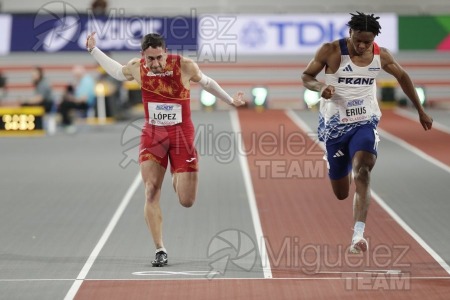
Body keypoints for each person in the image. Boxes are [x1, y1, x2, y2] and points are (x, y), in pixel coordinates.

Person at [85, 32, 245, 266]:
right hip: (154, 135)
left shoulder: (184, 66)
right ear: (143, 56)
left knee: (187, 200)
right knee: (150, 190)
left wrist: (230, 100)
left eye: (159, 58)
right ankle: (160, 248)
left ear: (165, 53)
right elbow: (118, 72)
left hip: (182, 135)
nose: (156, 64)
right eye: (150, 59)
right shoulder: (137, 68)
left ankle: (176, 175)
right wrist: (93, 50)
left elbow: (207, 83)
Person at [301, 12, 433, 254]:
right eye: (358, 40)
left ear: (374, 39)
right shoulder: (330, 50)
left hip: (365, 121)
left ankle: (358, 235)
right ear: (350, 33)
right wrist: (320, 86)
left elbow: (403, 77)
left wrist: (420, 110)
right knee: (341, 193)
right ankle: (340, 166)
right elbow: (306, 76)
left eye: (367, 42)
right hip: (335, 126)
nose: (362, 46)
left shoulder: (380, 56)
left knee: (363, 170)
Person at [58, 65, 96, 131]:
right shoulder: (82, 81)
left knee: (64, 104)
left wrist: (72, 99)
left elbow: (83, 99)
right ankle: (66, 122)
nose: (75, 77)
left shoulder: (86, 81)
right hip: (80, 102)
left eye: (75, 75)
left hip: (85, 104)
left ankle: (67, 123)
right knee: (64, 102)